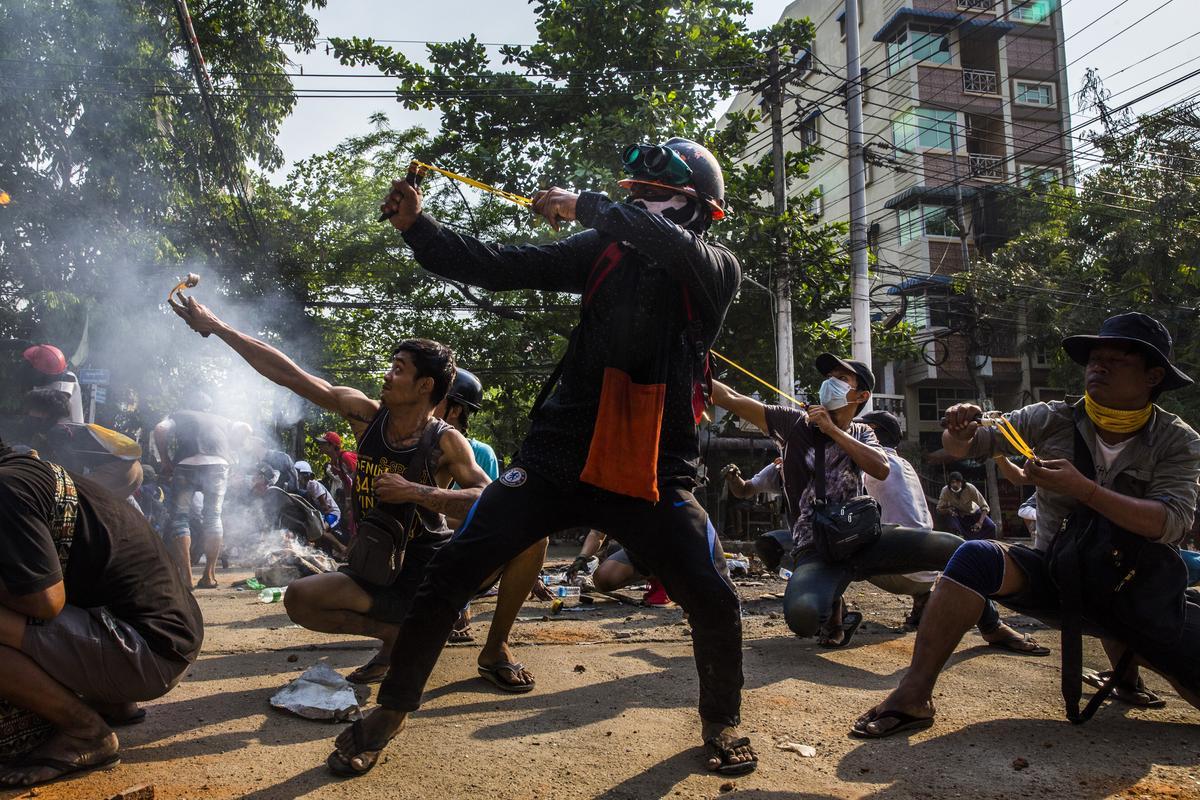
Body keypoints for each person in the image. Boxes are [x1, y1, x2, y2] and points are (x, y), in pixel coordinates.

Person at [324, 136, 755, 779]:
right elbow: (499, 263)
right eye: (631, 193)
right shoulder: (602, 248)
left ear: (699, 210)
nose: (636, 204)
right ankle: (390, 711)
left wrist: (589, 204)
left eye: (652, 195)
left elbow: (661, 241)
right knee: (454, 571)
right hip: (557, 453)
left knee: (713, 595)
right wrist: (420, 229)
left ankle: (721, 720)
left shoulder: (713, 267)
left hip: (651, 465)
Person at [852, 312, 1200, 738]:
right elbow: (971, 443)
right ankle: (913, 694)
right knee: (973, 557)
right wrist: (958, 430)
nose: (1098, 366)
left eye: (1117, 360)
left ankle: (1127, 676)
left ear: (1154, 376)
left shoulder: (1178, 440)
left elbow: (1170, 523)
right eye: (1094, 358)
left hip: (1134, 589)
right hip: (1057, 573)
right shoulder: (1050, 417)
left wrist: (1085, 489)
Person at [0, 447, 203, 787]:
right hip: (169, 638)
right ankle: (113, 702)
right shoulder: (30, 472)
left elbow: (45, 602)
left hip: (149, 653)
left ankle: (86, 733)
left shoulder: (7, 488)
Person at [856, 410, 1044, 652]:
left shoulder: (871, 465)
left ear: (871, 433)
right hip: (927, 572)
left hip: (899, 572)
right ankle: (980, 620)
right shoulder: (905, 465)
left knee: (838, 544)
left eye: (860, 431)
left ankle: (831, 616)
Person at [438, 368, 553, 691]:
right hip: (410, 561)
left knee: (531, 537)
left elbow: (487, 516)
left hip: (457, 558)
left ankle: (495, 645)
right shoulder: (401, 442)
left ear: (455, 409)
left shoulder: (478, 454)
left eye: (434, 398)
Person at [152, 394, 246, 589]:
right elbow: (246, 428)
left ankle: (186, 578)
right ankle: (209, 575)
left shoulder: (179, 414)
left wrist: (165, 460)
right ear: (208, 407)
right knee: (213, 516)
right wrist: (232, 448)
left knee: (180, 519)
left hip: (186, 466)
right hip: (218, 465)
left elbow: (160, 429)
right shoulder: (222, 419)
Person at [23, 388, 143, 501]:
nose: (28, 413)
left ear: (44, 412)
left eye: (32, 409)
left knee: (66, 497)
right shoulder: (68, 425)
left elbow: (71, 469)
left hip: (117, 471)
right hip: (134, 470)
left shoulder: (56, 431)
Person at [723, 458, 792, 574]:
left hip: (828, 532)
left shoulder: (828, 463)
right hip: (800, 539)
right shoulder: (779, 468)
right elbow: (744, 490)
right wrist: (734, 479)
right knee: (766, 544)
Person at [21, 344, 83, 424]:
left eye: (35, 365)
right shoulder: (44, 382)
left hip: (65, 431)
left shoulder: (66, 381)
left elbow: (48, 412)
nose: (32, 367)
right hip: (51, 430)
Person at [316, 431, 358, 540]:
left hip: (362, 495)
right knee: (351, 523)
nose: (320, 445)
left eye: (323, 443)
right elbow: (346, 482)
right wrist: (348, 501)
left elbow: (359, 477)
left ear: (332, 446)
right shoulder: (335, 463)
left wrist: (355, 500)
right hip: (354, 496)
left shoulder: (346, 457)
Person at [936, 472, 997, 540]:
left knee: (991, 526)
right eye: (952, 482)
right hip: (958, 516)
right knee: (951, 520)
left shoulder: (970, 487)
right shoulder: (945, 490)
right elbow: (939, 509)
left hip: (974, 513)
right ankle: (959, 539)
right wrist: (948, 510)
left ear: (962, 482)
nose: (955, 484)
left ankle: (985, 544)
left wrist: (980, 523)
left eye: (958, 482)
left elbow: (984, 506)